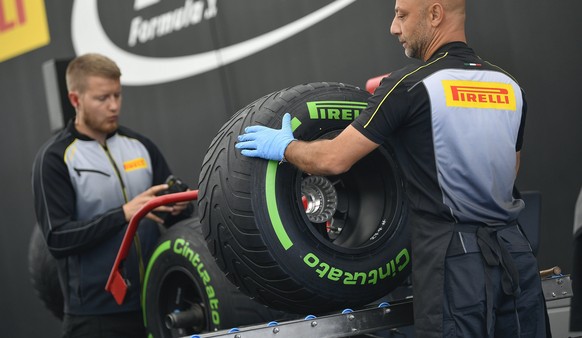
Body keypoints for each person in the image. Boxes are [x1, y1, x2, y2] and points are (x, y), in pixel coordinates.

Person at [235, 0, 547, 337]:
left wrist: (284, 146)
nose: (394, 28)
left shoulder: (409, 86)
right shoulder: (509, 86)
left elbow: (333, 159)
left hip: (455, 261)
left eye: (401, 15)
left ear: (435, 14)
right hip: (516, 255)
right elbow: (509, 172)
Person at [32, 53, 192, 338]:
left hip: (156, 302)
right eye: (102, 98)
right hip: (96, 318)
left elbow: (172, 221)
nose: (114, 106)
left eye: (118, 95)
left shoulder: (141, 146)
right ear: (75, 100)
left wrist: (178, 208)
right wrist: (123, 214)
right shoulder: (55, 158)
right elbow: (57, 238)